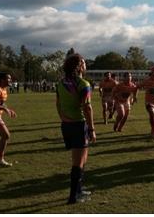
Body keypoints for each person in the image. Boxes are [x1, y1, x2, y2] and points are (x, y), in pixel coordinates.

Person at [56, 54, 96, 204]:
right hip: (79, 124)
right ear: (79, 66)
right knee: (78, 162)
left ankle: (79, 190)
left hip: (66, 125)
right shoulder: (83, 84)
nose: (86, 66)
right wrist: (92, 129)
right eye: (84, 63)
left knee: (82, 159)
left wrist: (64, 119)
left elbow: (58, 104)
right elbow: (87, 107)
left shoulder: (61, 83)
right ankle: (73, 196)